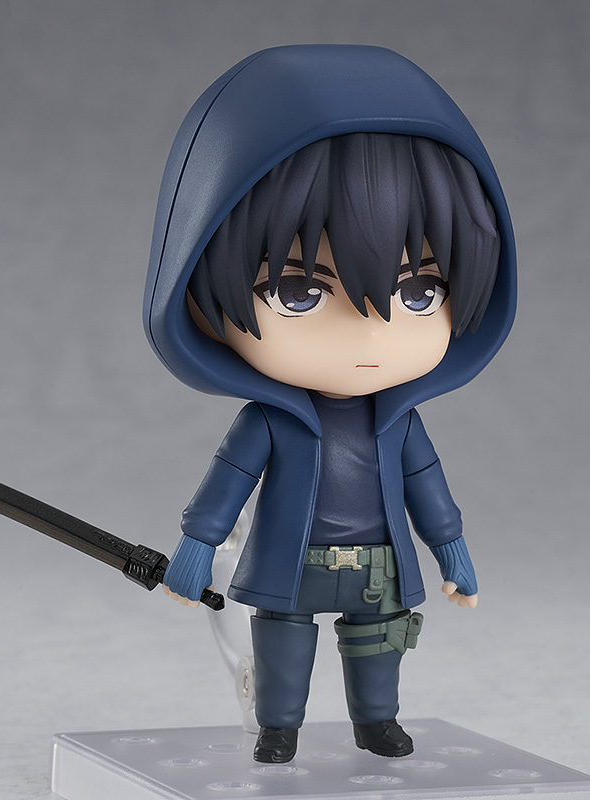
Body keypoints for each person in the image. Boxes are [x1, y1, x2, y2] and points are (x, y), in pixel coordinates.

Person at [143, 45, 516, 763]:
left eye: (419, 292)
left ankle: (376, 723)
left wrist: (453, 549)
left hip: (378, 568)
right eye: (300, 292)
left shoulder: (399, 421)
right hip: (289, 563)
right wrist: (194, 546)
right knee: (282, 646)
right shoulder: (270, 421)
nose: (369, 333)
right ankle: (279, 727)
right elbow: (227, 484)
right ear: (196, 295)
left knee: (380, 645)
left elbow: (427, 487)